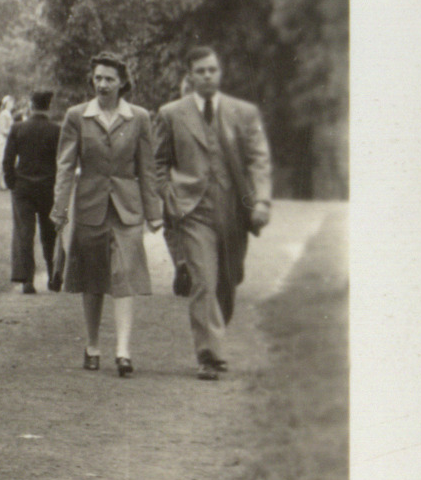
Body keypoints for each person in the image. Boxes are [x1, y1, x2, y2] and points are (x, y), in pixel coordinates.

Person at [150, 46, 274, 382]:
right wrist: (168, 194)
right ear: (190, 76)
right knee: (203, 280)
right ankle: (209, 356)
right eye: (200, 71)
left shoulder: (243, 112)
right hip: (193, 211)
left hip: (234, 211)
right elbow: (158, 162)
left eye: (212, 70)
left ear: (220, 72)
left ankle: (213, 337)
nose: (207, 76)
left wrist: (262, 202)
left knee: (228, 282)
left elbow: (258, 160)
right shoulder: (171, 113)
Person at [53, 53, 159, 377]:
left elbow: (147, 168)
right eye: (98, 78)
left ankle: (123, 351)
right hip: (90, 206)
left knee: (124, 275)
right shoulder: (77, 116)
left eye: (109, 79)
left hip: (127, 209)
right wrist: (60, 209)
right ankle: (92, 344)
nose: (102, 84)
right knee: (93, 279)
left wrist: (154, 212)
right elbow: (65, 166)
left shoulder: (139, 118)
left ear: (122, 82)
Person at [4, 89, 62, 293]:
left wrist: (12, 183)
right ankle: (54, 275)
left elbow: (8, 160)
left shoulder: (18, 128)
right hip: (49, 187)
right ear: (49, 106)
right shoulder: (56, 130)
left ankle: (26, 280)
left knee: (24, 232)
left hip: (23, 187)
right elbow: (62, 161)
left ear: (31, 104)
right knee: (51, 233)